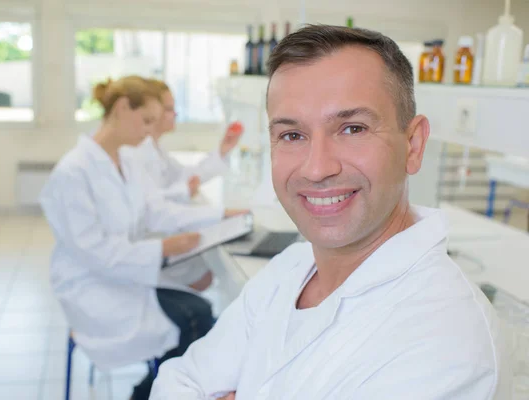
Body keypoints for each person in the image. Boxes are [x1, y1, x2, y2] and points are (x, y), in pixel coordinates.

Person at [150, 25, 511, 399]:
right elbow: (177, 382)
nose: (316, 168)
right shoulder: (291, 268)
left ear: (413, 145)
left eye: (352, 128)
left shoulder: (448, 344)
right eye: (292, 135)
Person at [39, 76, 246, 400]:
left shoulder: (125, 161)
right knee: (196, 319)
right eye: (147, 120)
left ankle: (165, 390)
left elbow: (156, 210)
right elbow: (94, 253)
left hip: (127, 276)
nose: (151, 130)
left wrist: (220, 215)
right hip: (93, 287)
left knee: (201, 314)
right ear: (122, 108)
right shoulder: (72, 173)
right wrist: (162, 248)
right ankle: (149, 394)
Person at [138, 79, 244, 202]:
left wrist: (222, 150)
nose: (175, 114)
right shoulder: (140, 151)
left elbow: (185, 175)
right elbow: (149, 202)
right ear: (152, 111)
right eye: (169, 109)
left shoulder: (156, 148)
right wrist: (184, 190)